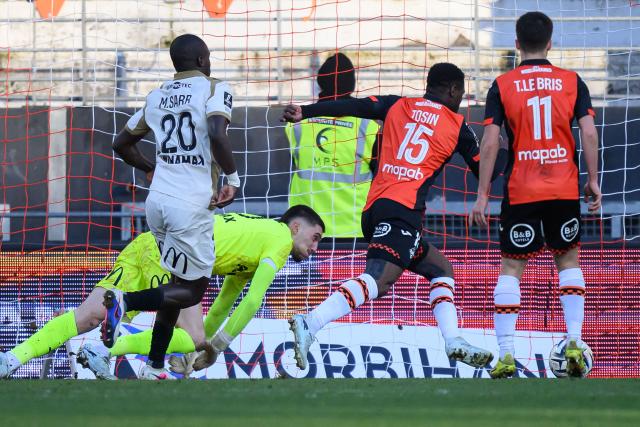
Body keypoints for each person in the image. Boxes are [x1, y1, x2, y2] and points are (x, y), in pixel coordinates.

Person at [282, 62, 506, 371]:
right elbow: (486, 171)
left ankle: (453, 340)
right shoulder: (457, 126)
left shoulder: (397, 104)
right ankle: (311, 322)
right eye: (462, 92)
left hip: (374, 208)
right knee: (379, 280)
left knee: (440, 268)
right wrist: (508, 149)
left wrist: (306, 111)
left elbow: (355, 105)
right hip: (402, 210)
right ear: (454, 90)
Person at [0, 206, 324, 379]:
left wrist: (199, 349)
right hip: (175, 256)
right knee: (195, 336)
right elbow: (254, 299)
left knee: (86, 316)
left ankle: (10, 360)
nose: (314, 247)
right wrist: (214, 348)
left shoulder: (250, 245)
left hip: (148, 243)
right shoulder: (280, 240)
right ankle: (127, 355)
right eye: (315, 237)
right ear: (296, 227)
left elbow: (224, 304)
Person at [469, 11, 602, 378]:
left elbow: (492, 139)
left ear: (515, 44)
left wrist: (482, 195)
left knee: (512, 268)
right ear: (550, 43)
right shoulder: (572, 81)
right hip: (562, 188)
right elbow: (589, 133)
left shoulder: (502, 84)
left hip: (521, 189)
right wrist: (592, 180)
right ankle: (574, 341)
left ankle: (507, 355)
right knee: (569, 263)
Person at [107, 33, 240, 379]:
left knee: (175, 284)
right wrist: (233, 179)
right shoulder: (214, 88)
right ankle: (126, 303)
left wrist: (149, 167)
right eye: (208, 58)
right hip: (191, 204)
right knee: (193, 289)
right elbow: (215, 130)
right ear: (201, 61)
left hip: (158, 205)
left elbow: (121, 143)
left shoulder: (157, 96)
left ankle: (153, 365)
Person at [286, 53, 379, 237]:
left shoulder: (296, 125)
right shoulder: (369, 127)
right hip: (355, 233)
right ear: (351, 84)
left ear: (321, 82)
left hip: (304, 234)